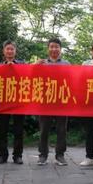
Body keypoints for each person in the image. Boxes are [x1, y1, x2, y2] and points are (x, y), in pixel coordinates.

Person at [37, 38, 71, 166]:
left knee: (61, 129)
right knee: (44, 129)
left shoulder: (67, 64)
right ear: (48, 49)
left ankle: (60, 155)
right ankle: (42, 155)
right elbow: (31, 77)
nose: (54, 49)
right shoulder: (42, 63)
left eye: (56, 47)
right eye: (52, 47)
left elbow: (71, 80)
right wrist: (35, 66)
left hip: (61, 101)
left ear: (60, 49)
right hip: (45, 101)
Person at [0, 41, 26, 164]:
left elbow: (28, 77)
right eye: (7, 49)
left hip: (18, 100)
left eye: (12, 49)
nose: (9, 51)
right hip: (3, 101)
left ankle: (18, 155)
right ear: (4, 51)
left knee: (18, 130)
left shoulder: (22, 65)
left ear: (15, 51)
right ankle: (3, 155)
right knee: (2, 129)